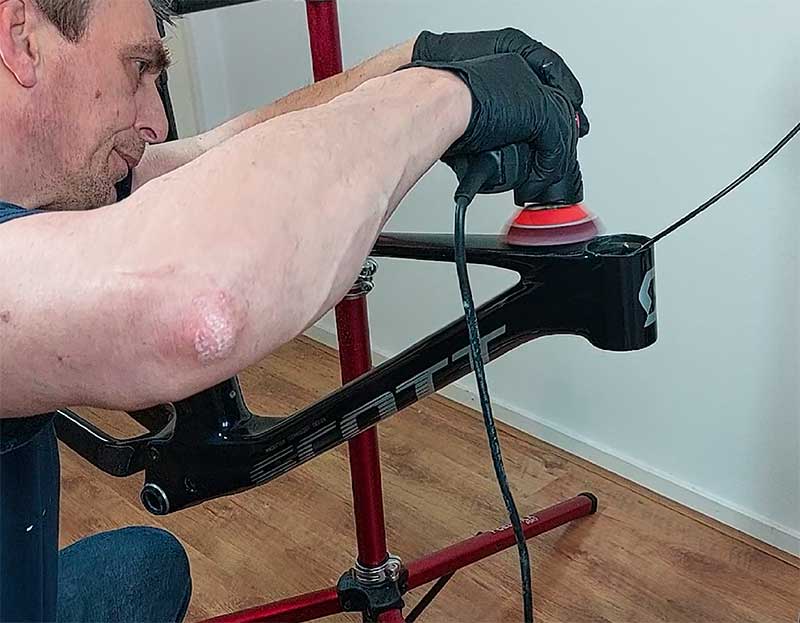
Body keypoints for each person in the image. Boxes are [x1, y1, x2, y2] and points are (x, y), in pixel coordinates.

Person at [0, 0, 588, 620]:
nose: (156, 121)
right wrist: (448, 97)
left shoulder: (43, 179)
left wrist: (414, 60)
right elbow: (198, 312)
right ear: (22, 40)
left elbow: (213, 153)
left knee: (147, 567)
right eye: (138, 68)